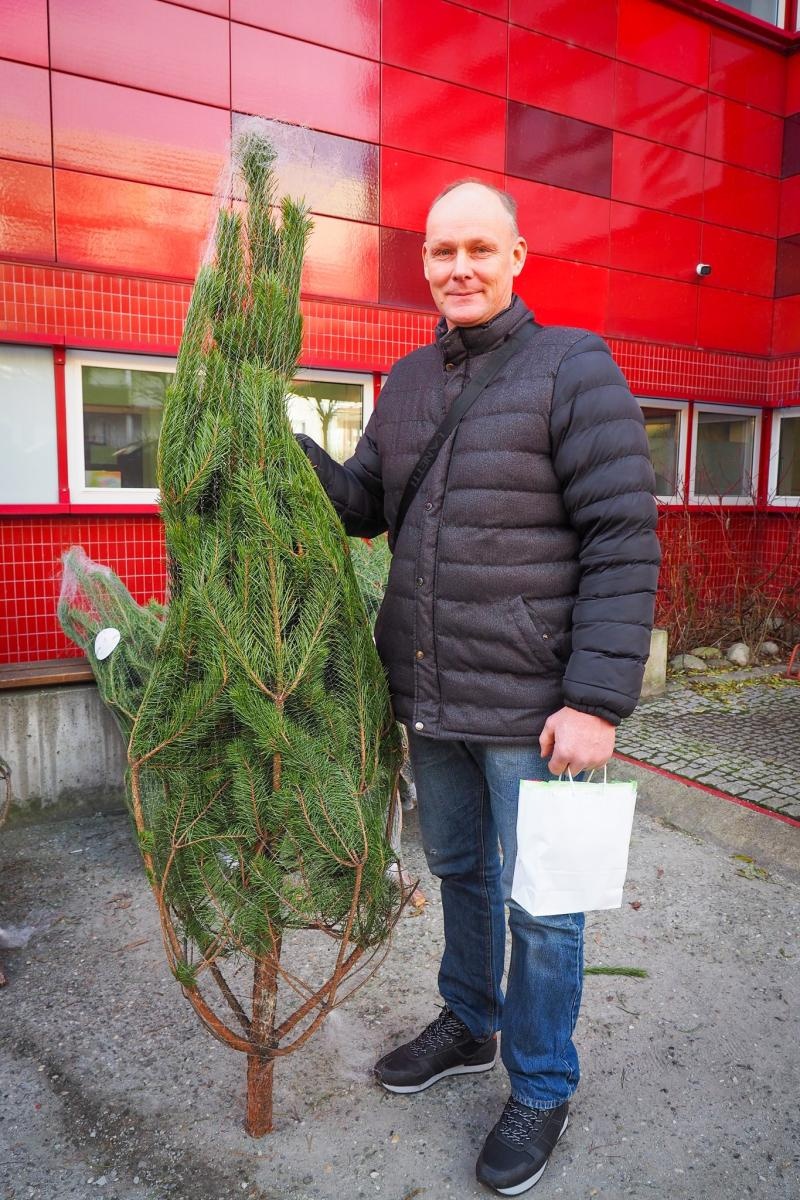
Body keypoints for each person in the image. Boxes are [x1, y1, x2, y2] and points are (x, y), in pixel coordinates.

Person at [297, 180, 660, 1195]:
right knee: (460, 870)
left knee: (546, 907)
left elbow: (622, 537)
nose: (458, 267)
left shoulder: (573, 366)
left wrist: (596, 701)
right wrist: (286, 455)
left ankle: (541, 1083)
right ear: (424, 263)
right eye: (440, 251)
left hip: (538, 710)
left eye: (478, 249)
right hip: (431, 694)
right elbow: (365, 505)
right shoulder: (409, 379)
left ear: (516, 258)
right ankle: (469, 1020)